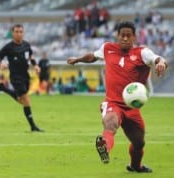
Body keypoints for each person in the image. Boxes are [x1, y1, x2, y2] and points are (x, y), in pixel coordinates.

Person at [67, 21, 167, 173]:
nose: (125, 38)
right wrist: (78, 59)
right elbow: (92, 56)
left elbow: (158, 58)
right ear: (117, 36)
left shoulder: (142, 53)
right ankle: (104, 147)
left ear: (134, 37)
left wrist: (161, 63)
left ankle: (135, 166)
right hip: (112, 103)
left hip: (132, 107)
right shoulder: (108, 48)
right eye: (122, 35)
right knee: (111, 124)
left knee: (139, 142)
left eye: (129, 35)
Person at [0, 24, 44, 132]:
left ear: (23, 33)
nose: (19, 34)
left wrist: (35, 65)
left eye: (21, 32)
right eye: (16, 32)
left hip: (25, 76)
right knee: (26, 100)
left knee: (22, 100)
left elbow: (30, 56)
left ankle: (4, 89)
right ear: (13, 33)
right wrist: (1, 63)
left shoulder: (26, 45)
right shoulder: (8, 47)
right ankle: (33, 126)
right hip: (15, 77)